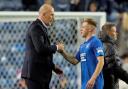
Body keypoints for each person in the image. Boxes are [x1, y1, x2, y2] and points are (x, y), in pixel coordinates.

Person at [21, 4, 64, 89]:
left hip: (39, 75)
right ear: (44, 14)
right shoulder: (36, 27)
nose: (53, 17)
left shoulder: (41, 28)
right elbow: (41, 49)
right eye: (51, 14)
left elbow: (40, 54)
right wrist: (57, 47)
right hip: (35, 75)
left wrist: (52, 66)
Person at [59, 18, 104, 89]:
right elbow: (74, 61)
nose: (81, 29)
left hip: (94, 84)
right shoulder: (82, 46)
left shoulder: (96, 41)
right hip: (85, 84)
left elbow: (101, 62)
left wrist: (93, 79)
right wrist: (62, 52)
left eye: (83, 27)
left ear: (90, 29)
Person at [99, 23, 128, 89]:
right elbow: (114, 67)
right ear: (108, 33)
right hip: (108, 84)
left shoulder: (99, 44)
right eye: (114, 31)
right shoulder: (109, 46)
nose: (116, 33)